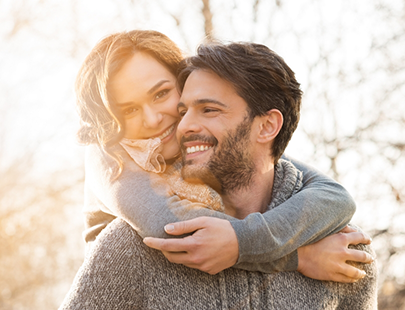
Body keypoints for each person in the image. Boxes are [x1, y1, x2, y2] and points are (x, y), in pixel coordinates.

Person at [60, 41, 377, 309]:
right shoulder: (113, 168)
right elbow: (174, 231)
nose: (158, 119)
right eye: (128, 109)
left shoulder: (345, 250)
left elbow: (332, 193)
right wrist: (298, 257)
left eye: (162, 95)